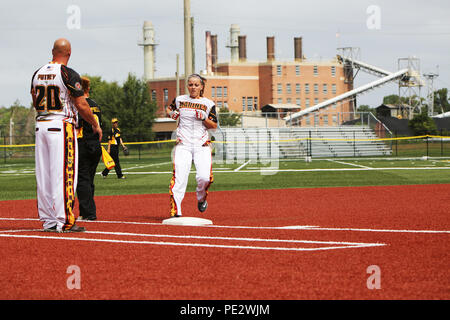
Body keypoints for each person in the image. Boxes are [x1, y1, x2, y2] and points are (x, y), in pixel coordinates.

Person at [31, 38, 102, 232]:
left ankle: (49, 220)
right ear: (69, 53)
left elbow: (33, 98)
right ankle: (65, 220)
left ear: (52, 51)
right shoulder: (67, 73)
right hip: (61, 125)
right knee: (64, 174)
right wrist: (94, 124)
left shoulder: (37, 73)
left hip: (41, 124)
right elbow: (81, 104)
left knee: (44, 175)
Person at [166, 73, 218, 217]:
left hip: (202, 145)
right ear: (187, 86)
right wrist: (172, 115)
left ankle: (201, 198)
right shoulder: (180, 100)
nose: (193, 87)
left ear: (201, 87)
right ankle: (176, 211)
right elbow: (169, 109)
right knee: (179, 178)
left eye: (196, 85)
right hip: (183, 144)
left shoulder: (209, 104)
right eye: (190, 84)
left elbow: (213, 126)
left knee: (205, 177)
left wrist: (204, 119)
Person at [76, 76, 102, 221]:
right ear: (88, 89)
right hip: (95, 145)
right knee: (89, 179)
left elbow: (78, 124)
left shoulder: (81, 105)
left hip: (83, 143)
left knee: (82, 179)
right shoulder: (95, 105)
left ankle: (88, 213)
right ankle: (84, 212)